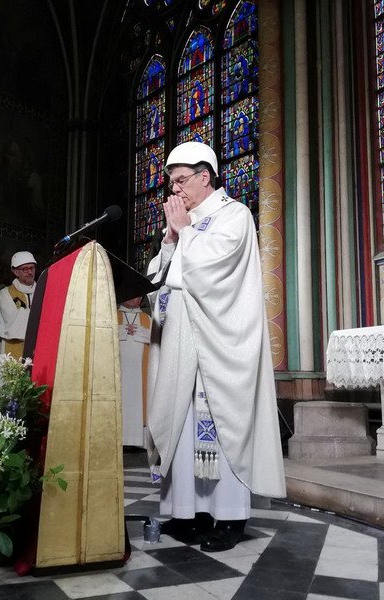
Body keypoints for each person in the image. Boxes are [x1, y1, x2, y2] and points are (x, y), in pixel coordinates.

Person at [145, 141, 286, 553]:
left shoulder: (234, 215)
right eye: (172, 184)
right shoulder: (185, 224)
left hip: (218, 347)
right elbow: (161, 280)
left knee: (220, 423)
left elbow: (213, 271)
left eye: (182, 181)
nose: (176, 192)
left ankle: (229, 518)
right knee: (184, 427)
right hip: (181, 346)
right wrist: (170, 241)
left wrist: (183, 232)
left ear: (205, 177)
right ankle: (188, 515)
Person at [117, 297, 151, 448]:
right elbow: (103, 335)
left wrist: (141, 333)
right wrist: (121, 331)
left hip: (140, 374)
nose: (133, 299)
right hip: (119, 374)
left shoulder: (147, 319)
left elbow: (158, 339)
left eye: (138, 296)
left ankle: (138, 441)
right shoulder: (112, 315)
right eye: (130, 294)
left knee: (139, 400)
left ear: (141, 299)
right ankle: (117, 439)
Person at [0, 251, 37, 358]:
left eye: (32, 268)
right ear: (16, 272)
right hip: (11, 347)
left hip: (37, 346)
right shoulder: (6, 293)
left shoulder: (43, 290)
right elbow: (12, 319)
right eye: (25, 269)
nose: (30, 272)